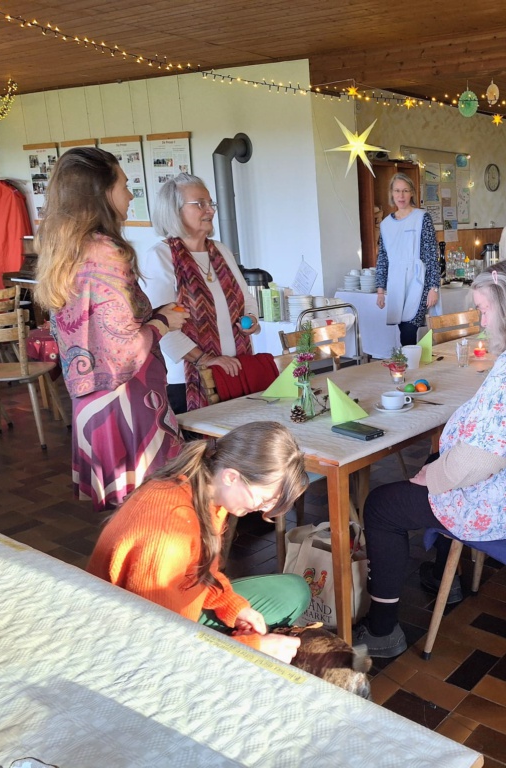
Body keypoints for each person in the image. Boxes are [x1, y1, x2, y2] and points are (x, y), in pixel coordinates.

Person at [355, 259, 506, 657]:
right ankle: (442, 576)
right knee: (435, 462)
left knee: (381, 506)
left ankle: (383, 631)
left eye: (484, 310)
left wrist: (433, 476)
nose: (481, 322)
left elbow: (481, 460)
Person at [34, 147, 185, 513]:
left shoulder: (65, 248)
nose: (131, 195)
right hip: (127, 399)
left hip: (91, 401)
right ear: (101, 192)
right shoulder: (105, 253)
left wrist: (153, 315)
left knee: (128, 513)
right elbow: (122, 350)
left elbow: (97, 331)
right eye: (124, 185)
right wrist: (163, 322)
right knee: (154, 509)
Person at [87, 421, 310, 664]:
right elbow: (159, 641)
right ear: (231, 477)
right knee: (271, 636)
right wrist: (253, 649)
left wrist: (232, 606)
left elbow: (200, 572)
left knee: (294, 591)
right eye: (264, 499)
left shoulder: (206, 492)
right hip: (133, 638)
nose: (264, 510)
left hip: (174, 612)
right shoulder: (167, 532)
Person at [140, 173, 260, 415]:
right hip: (187, 381)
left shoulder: (221, 251)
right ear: (174, 211)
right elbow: (159, 324)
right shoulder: (161, 256)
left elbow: (246, 299)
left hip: (235, 371)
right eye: (200, 204)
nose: (211, 210)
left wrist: (251, 320)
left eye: (210, 203)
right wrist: (204, 359)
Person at [374, 173, 440, 346]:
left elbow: (431, 254)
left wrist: (434, 287)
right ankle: (408, 360)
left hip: (418, 280)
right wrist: (380, 290)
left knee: (410, 327)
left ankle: (408, 360)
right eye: (397, 191)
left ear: (412, 193)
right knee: (403, 327)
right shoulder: (385, 225)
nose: (401, 195)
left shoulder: (422, 218)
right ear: (391, 193)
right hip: (396, 281)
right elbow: (383, 258)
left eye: (405, 191)